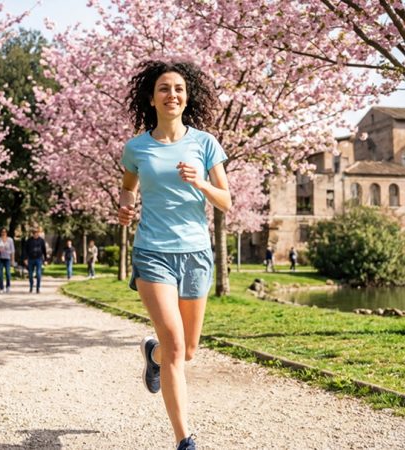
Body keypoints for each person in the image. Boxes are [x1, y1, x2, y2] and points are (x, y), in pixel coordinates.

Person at [119, 60, 231, 450]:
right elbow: (128, 187)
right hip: (152, 252)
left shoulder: (204, 143)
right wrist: (125, 206)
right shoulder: (136, 147)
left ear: (187, 97)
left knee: (189, 350)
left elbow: (226, 201)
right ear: (151, 98)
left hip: (196, 254)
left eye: (179, 88)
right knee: (175, 344)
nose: (172, 94)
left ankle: (152, 353)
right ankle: (185, 440)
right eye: (164, 88)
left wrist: (199, 181)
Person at [22, 227, 47, 293]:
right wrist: (25, 258)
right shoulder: (29, 240)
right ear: (32, 234)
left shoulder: (41, 241)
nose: (35, 234)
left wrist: (45, 259)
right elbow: (25, 250)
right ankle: (31, 286)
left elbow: (44, 250)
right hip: (30, 259)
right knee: (30, 274)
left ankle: (38, 288)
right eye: (34, 233)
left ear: (38, 233)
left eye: (37, 233)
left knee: (38, 274)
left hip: (39, 259)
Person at [0, 227, 15, 293]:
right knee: (0, 274)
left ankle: (8, 286)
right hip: (0, 258)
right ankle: (1, 287)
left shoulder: (10, 240)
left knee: (8, 273)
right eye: (2, 232)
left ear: (6, 232)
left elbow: (12, 250)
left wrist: (12, 260)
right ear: (0, 232)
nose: (3, 233)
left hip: (7, 258)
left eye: (5, 232)